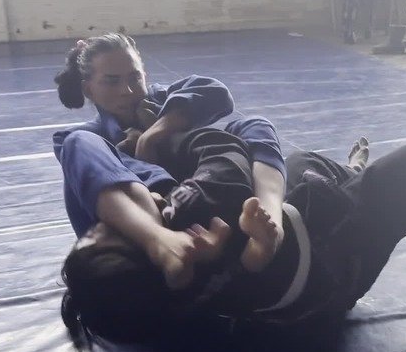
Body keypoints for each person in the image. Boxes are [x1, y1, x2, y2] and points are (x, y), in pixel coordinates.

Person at [60, 117, 406, 350]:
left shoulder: (145, 298)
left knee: (302, 166)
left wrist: (146, 169)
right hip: (333, 259)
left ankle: (351, 170)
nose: (104, 217)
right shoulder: (190, 212)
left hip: (283, 303)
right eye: (111, 225)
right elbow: (248, 135)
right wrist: (164, 139)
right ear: (143, 240)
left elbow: (86, 161)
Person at [51, 32, 288, 282]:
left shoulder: (159, 101)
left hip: (193, 205)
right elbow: (111, 168)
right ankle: (160, 242)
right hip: (138, 238)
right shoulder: (81, 138)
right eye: (111, 81)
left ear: (145, 75)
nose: (127, 91)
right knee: (77, 142)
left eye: (135, 78)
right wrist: (144, 157)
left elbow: (216, 92)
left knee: (254, 124)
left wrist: (154, 133)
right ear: (88, 89)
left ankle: (269, 224)